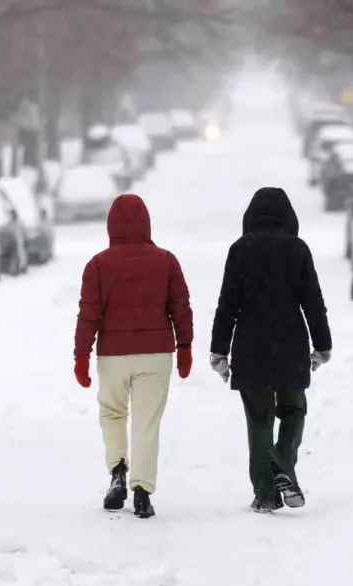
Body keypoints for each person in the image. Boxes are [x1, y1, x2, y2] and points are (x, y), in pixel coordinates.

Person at [209, 188, 333, 513]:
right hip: (290, 344)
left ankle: (265, 493)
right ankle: (283, 460)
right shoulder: (298, 249)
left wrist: (219, 351)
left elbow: (227, 305)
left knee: (259, 419)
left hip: (250, 346)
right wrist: (323, 344)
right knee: (294, 410)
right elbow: (313, 301)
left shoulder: (240, 250)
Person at [74, 194, 193, 519]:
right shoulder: (166, 261)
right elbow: (180, 308)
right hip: (156, 355)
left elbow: (89, 315)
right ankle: (142, 491)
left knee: (112, 413)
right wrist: (184, 347)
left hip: (114, 355)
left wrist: (81, 355)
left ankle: (118, 470)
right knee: (146, 422)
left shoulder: (98, 265)